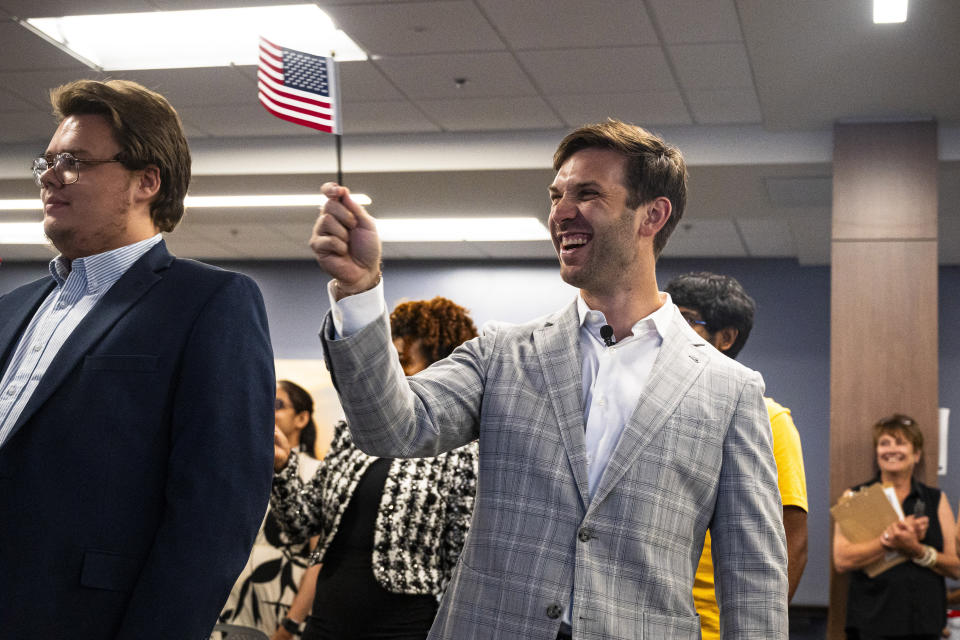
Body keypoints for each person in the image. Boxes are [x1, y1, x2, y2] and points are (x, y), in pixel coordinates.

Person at [309, 119, 788, 639]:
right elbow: (391, 429)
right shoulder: (503, 353)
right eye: (556, 195)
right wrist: (358, 289)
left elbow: (752, 577)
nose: (560, 213)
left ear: (652, 214)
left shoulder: (731, 389)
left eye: (587, 194)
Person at [0, 79, 275, 639]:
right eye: (47, 162)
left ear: (146, 181)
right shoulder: (11, 309)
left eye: (74, 161)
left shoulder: (209, 303)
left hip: (82, 620)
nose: (51, 176)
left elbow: (216, 514)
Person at [271, 297, 480, 640]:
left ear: (441, 365)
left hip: (405, 628)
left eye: (403, 361)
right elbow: (298, 526)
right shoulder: (354, 432)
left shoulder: (462, 448)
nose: (392, 374)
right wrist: (282, 469)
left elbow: (461, 560)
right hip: (328, 621)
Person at [664, 271, 809, 637]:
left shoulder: (769, 419)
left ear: (725, 337)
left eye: (685, 321)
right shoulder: (655, 411)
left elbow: (793, 540)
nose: (669, 334)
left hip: (716, 628)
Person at [834, 414, 960, 640]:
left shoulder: (935, 499)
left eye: (901, 443)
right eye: (884, 443)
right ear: (877, 452)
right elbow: (842, 560)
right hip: (871, 625)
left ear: (917, 454)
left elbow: (956, 568)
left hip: (925, 627)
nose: (891, 450)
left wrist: (917, 550)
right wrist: (888, 542)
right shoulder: (855, 496)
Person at [221, 380, 323, 638]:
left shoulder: (316, 472)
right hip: (228, 610)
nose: (266, 410)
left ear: (301, 418)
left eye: (277, 404)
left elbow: (319, 558)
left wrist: (291, 625)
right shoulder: (239, 469)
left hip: (281, 611)